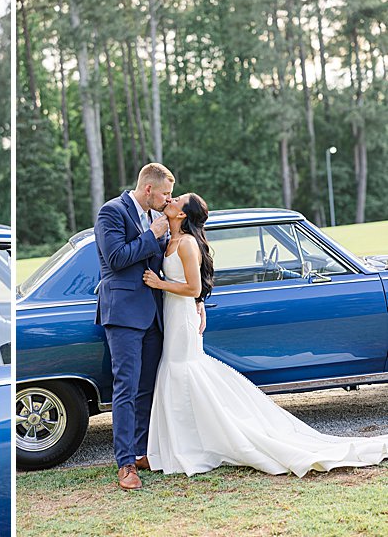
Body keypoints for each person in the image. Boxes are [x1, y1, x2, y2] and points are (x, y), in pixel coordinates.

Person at [142, 194, 388, 476]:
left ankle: (188, 446)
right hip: (176, 315)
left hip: (181, 314)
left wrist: (162, 285)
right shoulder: (170, 239)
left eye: (177, 199)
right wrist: (186, 296)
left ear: (183, 215)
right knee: (181, 372)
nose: (171, 199)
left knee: (184, 372)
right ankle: (185, 446)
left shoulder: (186, 243)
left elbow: (194, 287)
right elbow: (194, 288)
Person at [93, 162, 174, 490]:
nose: (168, 200)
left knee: (146, 387)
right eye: (165, 194)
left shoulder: (156, 217)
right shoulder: (111, 212)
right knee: (125, 388)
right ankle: (125, 464)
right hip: (123, 313)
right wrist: (152, 235)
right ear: (148, 189)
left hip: (153, 313)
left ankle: (141, 452)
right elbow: (116, 258)